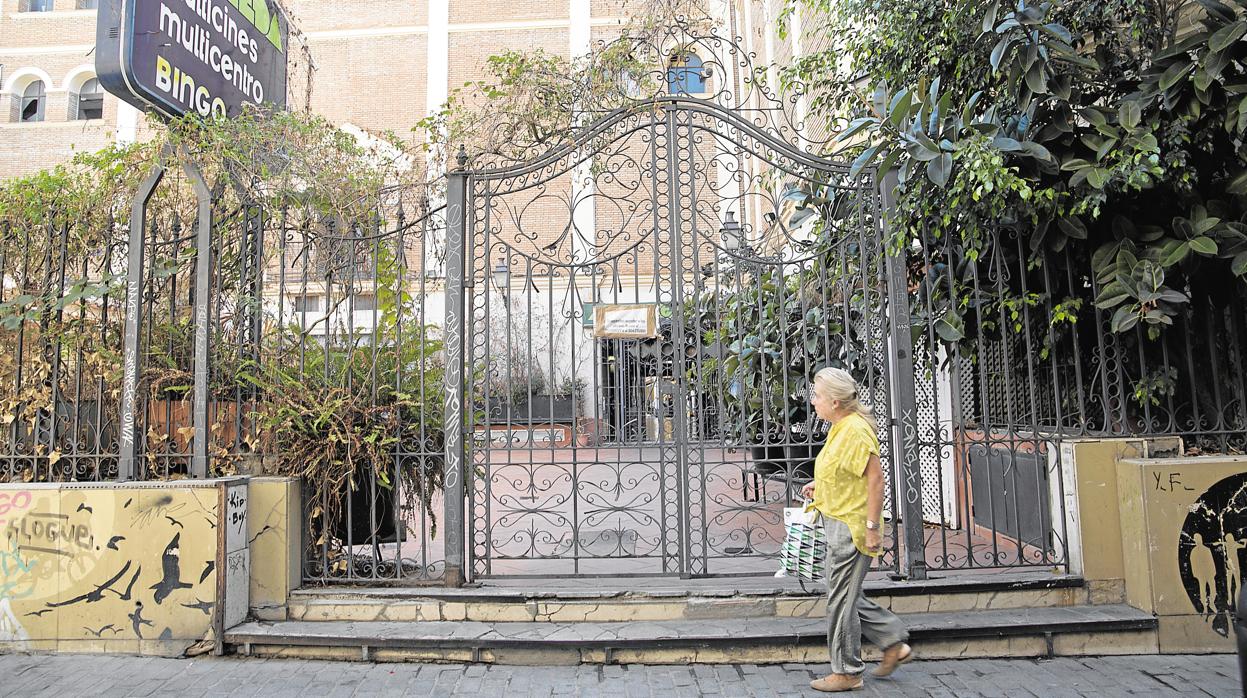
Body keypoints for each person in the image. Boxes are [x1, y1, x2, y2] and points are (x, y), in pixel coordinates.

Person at [800, 367, 912, 692]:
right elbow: (844, 474)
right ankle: (892, 641)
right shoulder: (839, 427)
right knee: (846, 595)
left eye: (817, 396)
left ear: (835, 401)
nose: (813, 401)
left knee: (840, 602)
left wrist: (873, 527)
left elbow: (875, 480)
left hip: (851, 529)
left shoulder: (854, 430)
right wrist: (819, 487)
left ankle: (847, 671)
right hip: (838, 522)